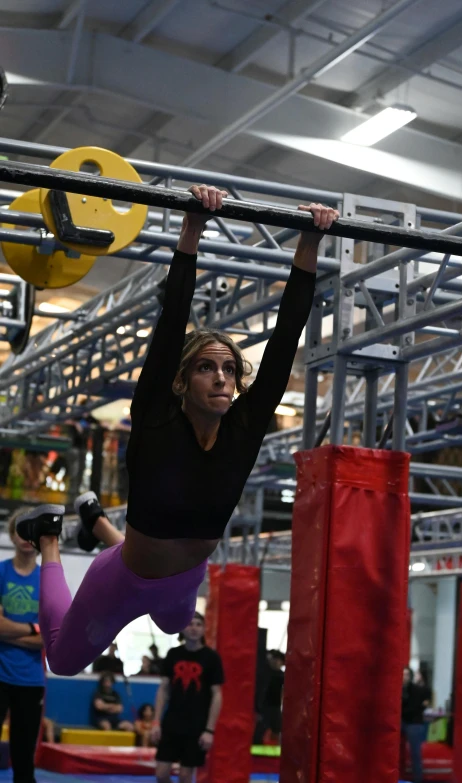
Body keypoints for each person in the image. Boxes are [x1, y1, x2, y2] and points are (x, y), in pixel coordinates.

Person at [15, 185, 339, 676]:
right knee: (60, 660)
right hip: (123, 580)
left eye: (230, 370)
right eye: (208, 369)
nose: (222, 379)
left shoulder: (244, 427)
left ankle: (97, 522)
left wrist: (308, 244)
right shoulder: (157, 417)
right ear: (182, 380)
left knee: (172, 630)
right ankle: (51, 539)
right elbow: (172, 320)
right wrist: (192, 228)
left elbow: (287, 332)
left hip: (184, 583)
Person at [0, 507, 45, 783]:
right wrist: (31, 627)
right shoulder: (1, 572)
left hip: (29, 680)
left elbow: (47, 639)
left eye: (31, 530)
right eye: (21, 529)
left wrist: (8, 630)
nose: (26, 536)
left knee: (23, 757)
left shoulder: (48, 579)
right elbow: (38, 633)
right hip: (0, 675)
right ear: (12, 535)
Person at [153, 613, 224, 783]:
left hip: (196, 725)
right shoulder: (173, 654)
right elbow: (163, 690)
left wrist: (209, 730)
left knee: (185, 775)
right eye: (190, 624)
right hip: (172, 722)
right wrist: (156, 722)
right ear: (183, 629)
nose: (194, 628)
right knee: (161, 774)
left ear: (204, 629)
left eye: (198, 624)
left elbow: (217, 695)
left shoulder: (211, 658)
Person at [402, 667, 430, 783]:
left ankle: (418, 779)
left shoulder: (417, 690)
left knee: (415, 753)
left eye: (407, 675)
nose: (404, 677)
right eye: (403, 675)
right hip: (403, 720)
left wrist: (421, 707)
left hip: (413, 722)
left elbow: (425, 697)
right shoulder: (397, 690)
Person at [263, 650, 285, 743]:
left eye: (278, 660)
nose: (276, 662)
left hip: (275, 707)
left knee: (276, 729)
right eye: (274, 659)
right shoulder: (265, 673)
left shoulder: (282, 676)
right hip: (264, 707)